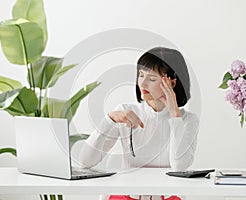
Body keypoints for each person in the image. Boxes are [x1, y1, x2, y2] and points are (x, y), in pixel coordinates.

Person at [77, 47, 199, 200]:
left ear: (172, 83)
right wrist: (110, 119)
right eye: (141, 75)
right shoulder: (125, 112)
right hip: (126, 196)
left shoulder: (188, 120)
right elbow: (85, 161)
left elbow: (179, 166)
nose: (143, 83)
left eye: (152, 79)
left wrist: (174, 114)